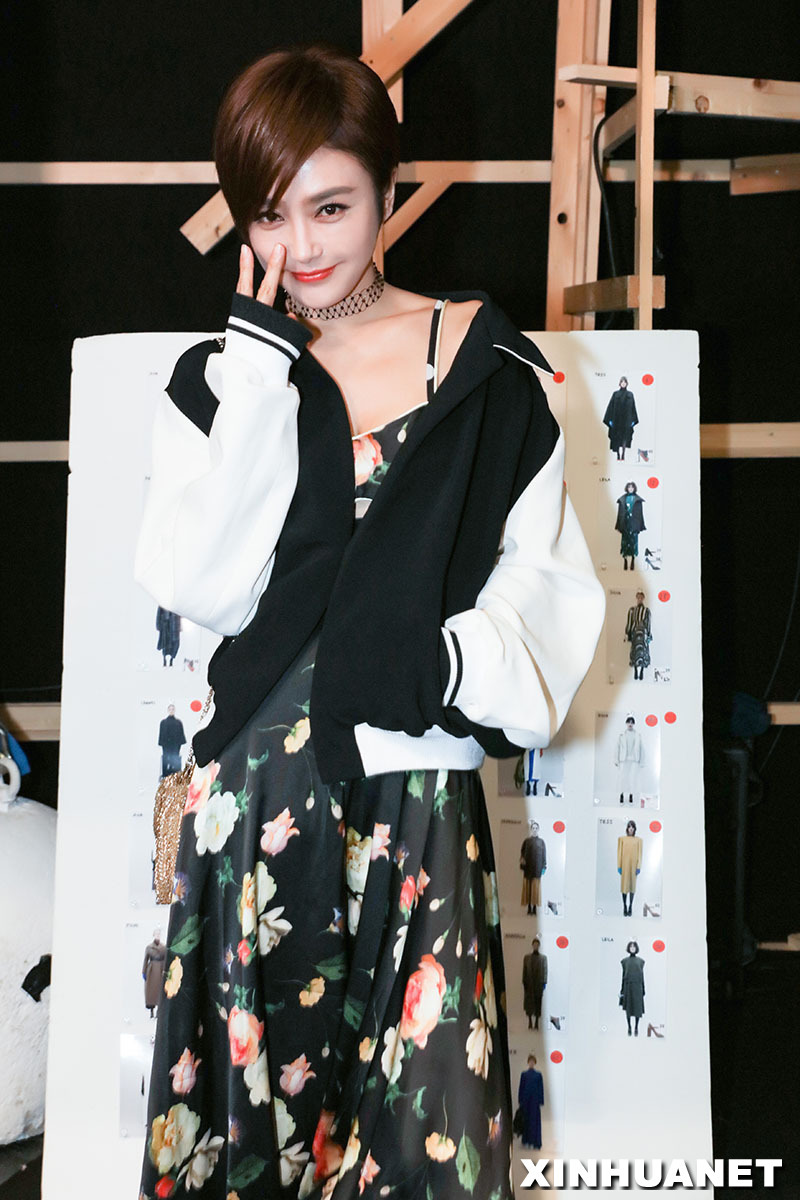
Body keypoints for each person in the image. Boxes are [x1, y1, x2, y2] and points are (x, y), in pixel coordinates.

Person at [134, 44, 604, 1200]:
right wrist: (255, 375)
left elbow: (546, 591)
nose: (300, 247)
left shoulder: (485, 368)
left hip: (412, 802)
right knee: (252, 1148)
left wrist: (438, 662)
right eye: (269, 215)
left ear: (389, 192)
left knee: (424, 1147)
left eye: (331, 206)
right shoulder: (222, 377)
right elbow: (200, 583)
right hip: (253, 806)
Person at [603, 376, 638, 459]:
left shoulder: (630, 395)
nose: (623, 383)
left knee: (625, 437)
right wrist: (609, 419)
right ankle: (618, 455)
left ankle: (623, 455)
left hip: (626, 420)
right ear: (619, 383)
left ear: (627, 383)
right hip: (617, 420)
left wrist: (633, 419)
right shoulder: (615, 394)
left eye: (625, 382)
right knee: (617, 438)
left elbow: (633, 407)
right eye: (622, 382)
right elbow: (610, 406)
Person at [615, 480, 646, 570]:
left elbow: (640, 514)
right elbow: (619, 514)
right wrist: (618, 526)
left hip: (634, 524)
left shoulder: (637, 500)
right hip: (625, 524)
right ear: (627, 488)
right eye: (629, 487)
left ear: (634, 488)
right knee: (624, 542)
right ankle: (625, 560)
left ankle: (633, 560)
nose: (630, 489)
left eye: (632, 487)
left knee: (633, 542)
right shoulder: (622, 499)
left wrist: (640, 526)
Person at [517, 1055, 545, 1150]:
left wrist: (540, 1100)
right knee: (526, 1121)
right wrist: (520, 1100)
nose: (531, 1063)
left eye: (533, 1061)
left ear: (535, 1063)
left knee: (534, 1121)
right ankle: (526, 1141)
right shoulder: (524, 1074)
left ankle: (535, 1142)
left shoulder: (538, 1075)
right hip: (526, 1101)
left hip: (534, 1101)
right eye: (530, 1061)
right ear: (528, 1062)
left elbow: (540, 1088)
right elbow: (521, 1087)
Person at [619, 941, 645, 1036]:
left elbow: (642, 976)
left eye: (634, 947)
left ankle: (636, 1027)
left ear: (636, 948)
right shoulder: (624, 961)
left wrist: (643, 988)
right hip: (628, 987)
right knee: (628, 1009)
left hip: (637, 987)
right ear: (628, 948)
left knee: (637, 1009)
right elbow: (623, 976)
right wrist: (622, 990)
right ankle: (629, 1027)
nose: (632, 948)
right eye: (631, 946)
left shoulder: (641, 961)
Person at [625, 590, 652, 681]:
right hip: (635, 633)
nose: (639, 599)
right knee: (635, 651)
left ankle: (642, 671)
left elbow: (648, 624)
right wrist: (627, 633)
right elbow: (629, 623)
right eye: (638, 597)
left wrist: (649, 635)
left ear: (643, 598)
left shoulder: (646, 611)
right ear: (636, 598)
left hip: (643, 633)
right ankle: (636, 670)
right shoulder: (632, 610)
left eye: (641, 597)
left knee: (643, 651)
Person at [618, 819, 642, 917]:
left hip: (633, 867)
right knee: (624, 886)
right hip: (624, 866)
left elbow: (640, 854)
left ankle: (630, 906)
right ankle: (624, 905)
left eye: (632, 827)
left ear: (635, 829)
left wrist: (638, 866)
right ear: (627, 828)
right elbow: (619, 853)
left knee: (632, 886)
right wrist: (619, 866)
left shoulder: (638, 840)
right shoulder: (622, 839)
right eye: (629, 827)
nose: (631, 829)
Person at [157, 703, 185, 777]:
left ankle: (176, 775)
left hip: (175, 745)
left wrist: (179, 744)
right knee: (166, 759)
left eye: (173, 709)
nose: (171, 710)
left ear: (174, 710)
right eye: (170, 709)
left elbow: (181, 735)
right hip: (166, 745)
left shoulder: (178, 722)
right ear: (168, 710)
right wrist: (162, 744)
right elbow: (161, 734)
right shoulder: (163, 722)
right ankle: (165, 775)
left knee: (175, 759)